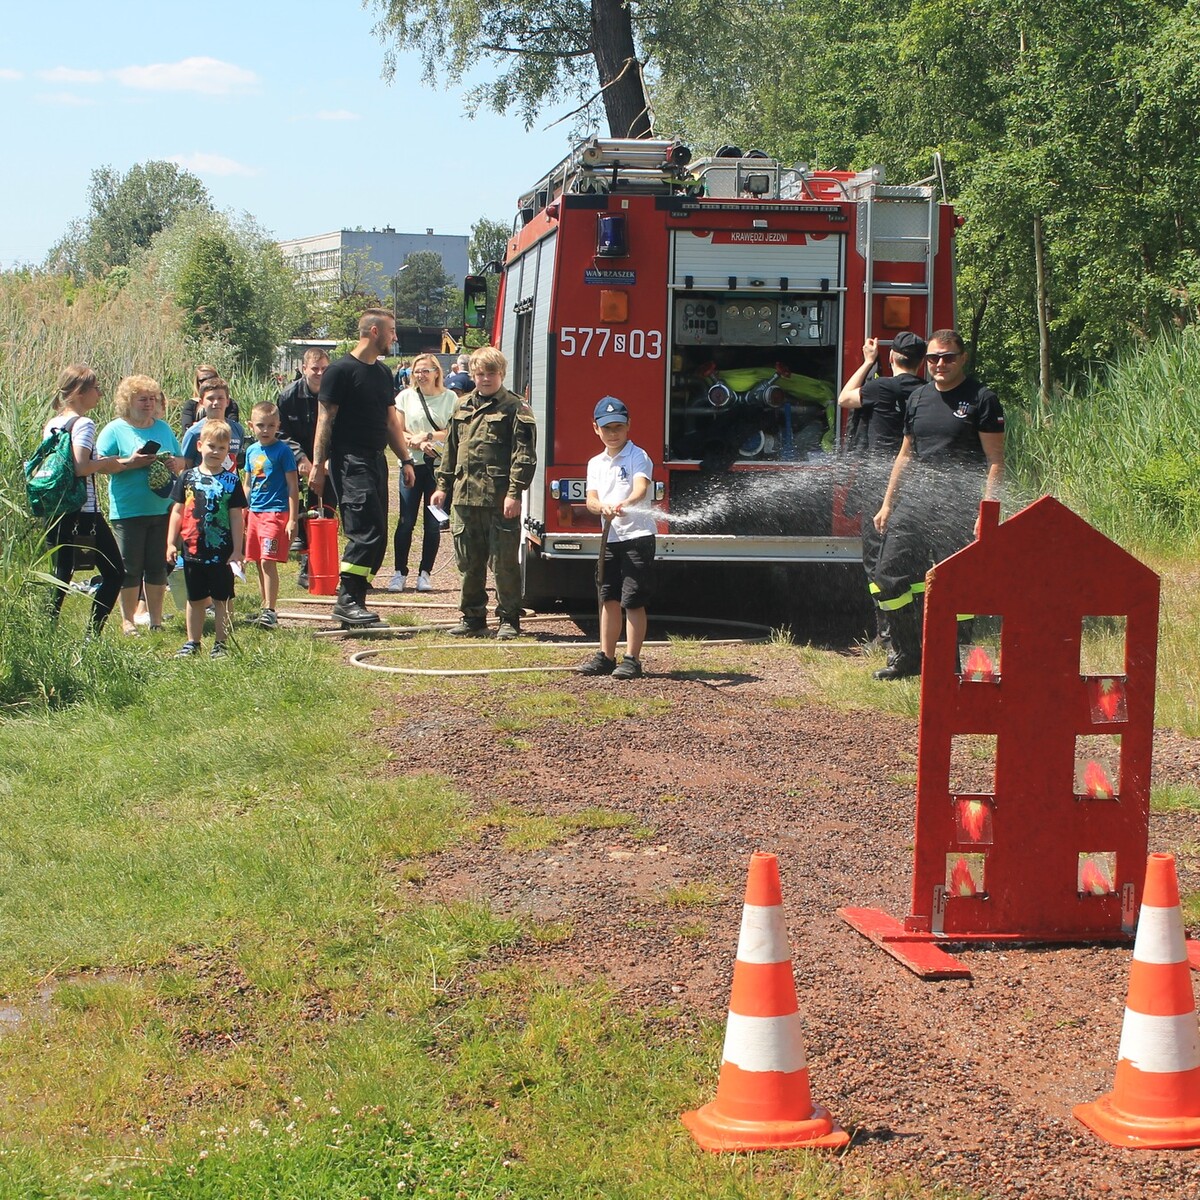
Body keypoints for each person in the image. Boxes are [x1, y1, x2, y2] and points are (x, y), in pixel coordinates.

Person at [871, 329, 1005, 680]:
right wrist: (887, 504)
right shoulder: (918, 398)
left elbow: (995, 460)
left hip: (958, 506)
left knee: (957, 585)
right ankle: (907, 654)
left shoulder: (982, 399)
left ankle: (956, 664)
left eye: (948, 357)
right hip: (915, 502)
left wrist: (987, 511)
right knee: (888, 577)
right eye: (933, 358)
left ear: (962, 358)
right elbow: (905, 455)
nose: (940, 363)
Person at [309, 309, 416, 627]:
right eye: (391, 331)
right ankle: (347, 601)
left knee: (379, 534)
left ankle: (356, 603)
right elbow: (325, 420)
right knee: (364, 531)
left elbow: (391, 422)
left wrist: (406, 459)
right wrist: (317, 465)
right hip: (349, 462)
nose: (395, 337)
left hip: (376, 460)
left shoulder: (382, 373)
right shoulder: (340, 371)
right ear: (374, 331)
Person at [431, 346, 537, 639]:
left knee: (503, 563)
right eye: (480, 374)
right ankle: (473, 617)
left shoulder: (515, 408)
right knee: (468, 563)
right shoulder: (461, 406)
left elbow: (524, 456)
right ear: (473, 375)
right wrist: (442, 487)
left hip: (498, 500)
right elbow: (450, 450)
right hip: (465, 498)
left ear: (502, 374)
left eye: (491, 373)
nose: (486, 379)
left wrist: (514, 493)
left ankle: (509, 618)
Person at [42, 365, 154, 638]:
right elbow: (81, 466)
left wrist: (118, 462)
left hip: (56, 508)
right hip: (82, 510)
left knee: (61, 572)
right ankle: (92, 637)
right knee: (115, 572)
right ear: (80, 392)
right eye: (96, 388)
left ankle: (45, 632)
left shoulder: (54, 423)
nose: (100, 394)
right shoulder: (84, 424)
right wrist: (107, 462)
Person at [837, 331, 927, 665]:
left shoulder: (881, 388)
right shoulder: (927, 393)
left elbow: (844, 398)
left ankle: (887, 635)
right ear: (922, 362)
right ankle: (915, 630)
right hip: (914, 487)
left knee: (877, 561)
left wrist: (867, 362)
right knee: (911, 561)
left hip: (879, 487)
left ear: (892, 358)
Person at [96, 375, 186, 635]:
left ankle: (156, 620)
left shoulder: (163, 428)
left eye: (152, 399)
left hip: (162, 507)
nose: (149, 404)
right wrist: (131, 462)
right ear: (128, 401)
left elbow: (181, 459)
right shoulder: (115, 429)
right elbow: (101, 465)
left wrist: (175, 463)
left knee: (158, 567)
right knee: (130, 568)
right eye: (142, 399)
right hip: (128, 510)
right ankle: (128, 621)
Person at [577, 397, 656, 679]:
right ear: (595, 428)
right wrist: (602, 507)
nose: (613, 433)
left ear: (628, 426)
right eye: (607, 428)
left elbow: (640, 489)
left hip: (637, 537)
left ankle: (632, 659)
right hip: (609, 539)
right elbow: (591, 500)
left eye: (618, 427)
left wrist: (623, 504)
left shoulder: (638, 456)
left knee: (632, 599)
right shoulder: (595, 463)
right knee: (608, 596)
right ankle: (606, 656)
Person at [168, 419, 248, 659]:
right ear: (200, 446)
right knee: (195, 599)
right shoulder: (187, 477)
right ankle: (192, 642)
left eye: (222, 448)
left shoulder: (231, 481)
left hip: (222, 553)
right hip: (192, 551)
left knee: (222, 599)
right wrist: (171, 543)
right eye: (211, 446)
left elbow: (237, 517)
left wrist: (237, 550)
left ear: (228, 451)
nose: (216, 452)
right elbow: (178, 511)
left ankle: (221, 643)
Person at [388, 353, 455, 593]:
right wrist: (414, 442)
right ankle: (399, 572)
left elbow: (452, 432)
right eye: (417, 371)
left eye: (426, 370)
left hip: (438, 468)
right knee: (406, 521)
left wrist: (427, 437)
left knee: (433, 523)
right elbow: (397, 429)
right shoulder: (405, 397)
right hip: (411, 465)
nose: (421, 375)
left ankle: (425, 573)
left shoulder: (450, 398)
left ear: (437, 372)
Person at [277, 348, 332, 589]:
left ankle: (323, 563)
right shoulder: (288, 396)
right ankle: (306, 562)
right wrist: (300, 459)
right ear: (304, 369)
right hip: (297, 460)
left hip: (328, 460)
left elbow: (341, 428)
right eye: (315, 369)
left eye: (324, 369)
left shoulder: (336, 392)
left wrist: (328, 460)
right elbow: (281, 433)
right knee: (303, 510)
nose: (319, 374)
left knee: (325, 511)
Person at [243, 401, 300, 627]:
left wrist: (292, 519)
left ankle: (271, 610)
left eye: (270, 425)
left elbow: (293, 486)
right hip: (254, 513)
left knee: (268, 560)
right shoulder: (251, 451)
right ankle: (264, 606)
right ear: (251, 426)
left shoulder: (283, 451)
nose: (265, 430)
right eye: (260, 425)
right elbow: (248, 484)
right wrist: (242, 510)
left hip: (275, 513)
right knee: (258, 561)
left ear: (278, 426)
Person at [181, 377, 246, 469]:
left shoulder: (237, 429)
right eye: (210, 398)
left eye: (220, 398)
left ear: (227, 402)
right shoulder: (194, 433)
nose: (216, 402)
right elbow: (186, 465)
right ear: (201, 402)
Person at [180, 364, 240, 437]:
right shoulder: (191, 404)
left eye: (212, 378)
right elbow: (186, 429)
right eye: (203, 380)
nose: (208, 382)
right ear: (197, 383)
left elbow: (232, 425)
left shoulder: (230, 403)